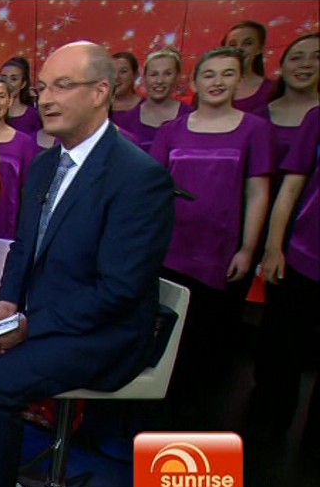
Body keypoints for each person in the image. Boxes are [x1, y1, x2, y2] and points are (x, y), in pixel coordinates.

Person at [0, 41, 174, 487]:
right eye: (43, 88)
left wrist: (29, 326)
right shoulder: (47, 162)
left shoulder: (139, 176)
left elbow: (118, 290)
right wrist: (7, 301)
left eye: (62, 86)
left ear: (100, 92)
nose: (46, 99)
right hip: (36, 310)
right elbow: (24, 246)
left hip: (103, 332)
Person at [151, 47, 272, 428]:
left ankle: (197, 424)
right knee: (168, 340)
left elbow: (257, 192)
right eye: (209, 74)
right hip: (170, 250)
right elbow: (151, 191)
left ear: (240, 80)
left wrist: (248, 248)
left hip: (221, 254)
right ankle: (160, 416)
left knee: (210, 343)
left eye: (227, 74)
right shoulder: (171, 131)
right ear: (195, 82)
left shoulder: (255, 129)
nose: (217, 82)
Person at [249, 33, 319, 444]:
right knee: (281, 339)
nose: (306, 63)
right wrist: (273, 246)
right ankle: (268, 421)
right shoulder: (304, 119)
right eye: (298, 56)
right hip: (297, 244)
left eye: (316, 57)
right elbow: (289, 188)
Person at [0, 76, 39, 239]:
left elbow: (30, 193)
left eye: (1, 96)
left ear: (10, 101)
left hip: (8, 231)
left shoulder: (24, 143)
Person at [112, 49, 193, 152]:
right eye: (154, 74)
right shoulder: (122, 120)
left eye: (167, 74)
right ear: (144, 78)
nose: (159, 81)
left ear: (177, 77)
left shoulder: (189, 116)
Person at [222, 21, 274, 114]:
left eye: (247, 43)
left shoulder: (272, 90)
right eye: (232, 45)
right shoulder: (209, 88)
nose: (239, 48)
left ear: (259, 49)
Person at [0, 56, 41, 135]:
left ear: (23, 84)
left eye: (14, 79)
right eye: (3, 78)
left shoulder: (34, 116)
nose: (7, 83)